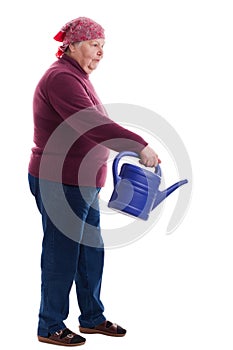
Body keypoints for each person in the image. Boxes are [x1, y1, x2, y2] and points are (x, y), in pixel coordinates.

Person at [28, 17, 159, 346]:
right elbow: (91, 124)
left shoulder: (77, 76)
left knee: (90, 252)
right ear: (72, 45)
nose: (100, 52)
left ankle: (92, 318)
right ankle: (50, 325)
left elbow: (98, 122)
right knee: (62, 255)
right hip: (60, 182)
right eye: (94, 44)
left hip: (82, 183)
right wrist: (137, 144)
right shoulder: (61, 78)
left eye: (103, 46)